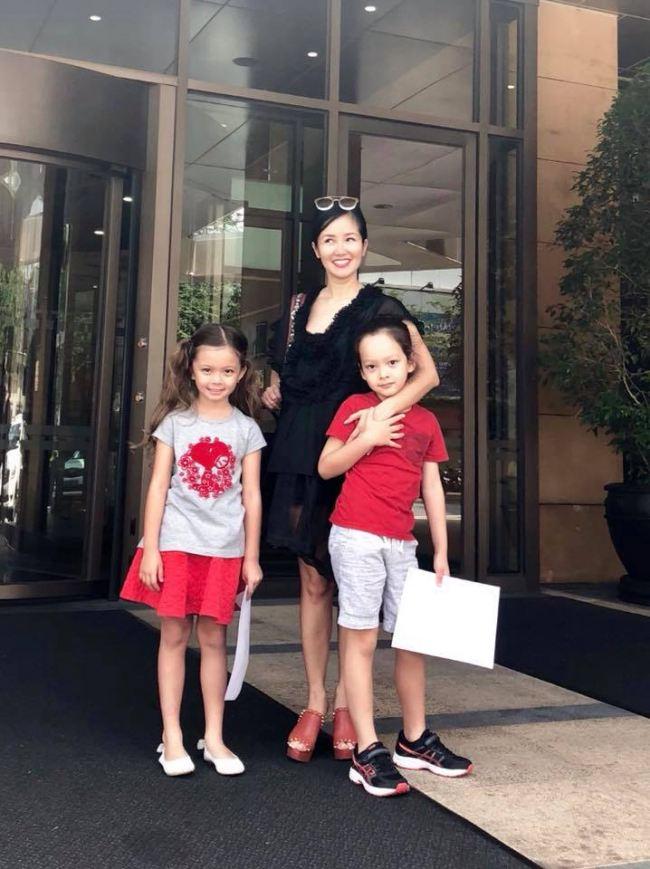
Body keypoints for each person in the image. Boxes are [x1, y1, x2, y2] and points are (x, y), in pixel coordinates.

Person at [261, 195, 439, 763]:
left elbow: (426, 374)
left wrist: (378, 417)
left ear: (364, 246)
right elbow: (285, 369)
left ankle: (345, 703)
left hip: (356, 452)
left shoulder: (380, 307)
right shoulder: (298, 307)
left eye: (350, 238)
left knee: (350, 581)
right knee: (314, 580)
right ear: (316, 250)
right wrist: (272, 387)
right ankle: (314, 700)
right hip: (299, 450)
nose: (340, 249)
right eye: (329, 239)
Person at [318, 316, 472, 797]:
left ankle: (414, 739)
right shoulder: (356, 408)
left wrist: (441, 550)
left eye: (391, 362)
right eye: (371, 366)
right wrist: (366, 439)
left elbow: (432, 487)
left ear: (410, 364)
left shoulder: (425, 421)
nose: (382, 373)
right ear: (361, 371)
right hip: (355, 537)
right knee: (360, 639)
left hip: (402, 543)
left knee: (412, 639)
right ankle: (366, 749)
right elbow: (326, 467)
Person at [120, 323, 266, 777]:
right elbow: (158, 488)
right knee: (173, 637)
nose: (216, 379)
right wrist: (151, 549)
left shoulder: (247, 430)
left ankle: (215, 737)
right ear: (191, 370)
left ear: (241, 373)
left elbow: (252, 496)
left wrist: (252, 557)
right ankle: (172, 736)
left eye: (227, 371)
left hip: (224, 549)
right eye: (207, 370)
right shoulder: (175, 424)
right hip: (177, 545)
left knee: (214, 640)